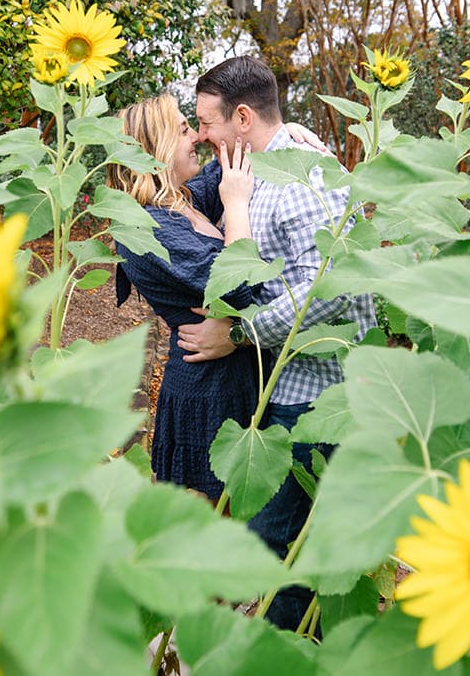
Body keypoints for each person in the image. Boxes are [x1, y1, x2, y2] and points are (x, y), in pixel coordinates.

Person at [176, 55, 378, 631]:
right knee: (282, 553)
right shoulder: (259, 167)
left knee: (281, 554)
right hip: (287, 387)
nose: (201, 134)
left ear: (242, 117)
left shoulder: (303, 178)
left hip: (318, 394)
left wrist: (238, 334)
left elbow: (329, 294)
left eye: (206, 121)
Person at [106, 93, 266, 501]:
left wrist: (287, 134)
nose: (196, 137)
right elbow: (240, 284)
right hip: (205, 396)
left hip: (232, 380)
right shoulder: (146, 228)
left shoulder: (182, 201)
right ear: (154, 149)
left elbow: (242, 155)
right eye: (183, 129)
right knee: (205, 525)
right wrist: (235, 205)